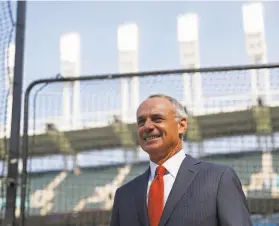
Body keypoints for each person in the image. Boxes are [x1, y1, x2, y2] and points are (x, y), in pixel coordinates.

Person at [110, 94, 253, 226]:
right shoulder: (124, 195)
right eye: (141, 122)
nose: (147, 126)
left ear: (182, 125)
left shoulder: (218, 179)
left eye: (157, 119)